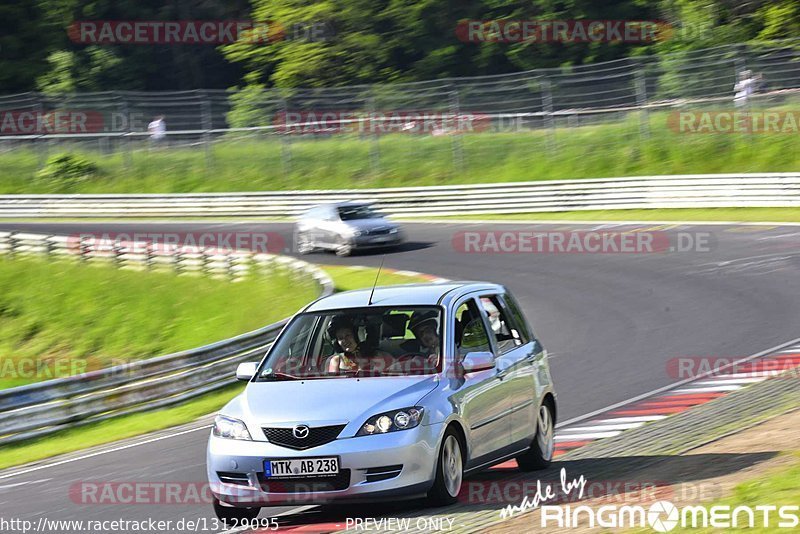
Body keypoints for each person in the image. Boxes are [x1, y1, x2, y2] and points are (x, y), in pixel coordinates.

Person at [326, 315, 391, 373]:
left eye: (348, 335)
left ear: (358, 335)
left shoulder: (377, 356)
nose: (344, 340)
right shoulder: (337, 361)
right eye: (340, 338)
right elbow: (333, 384)